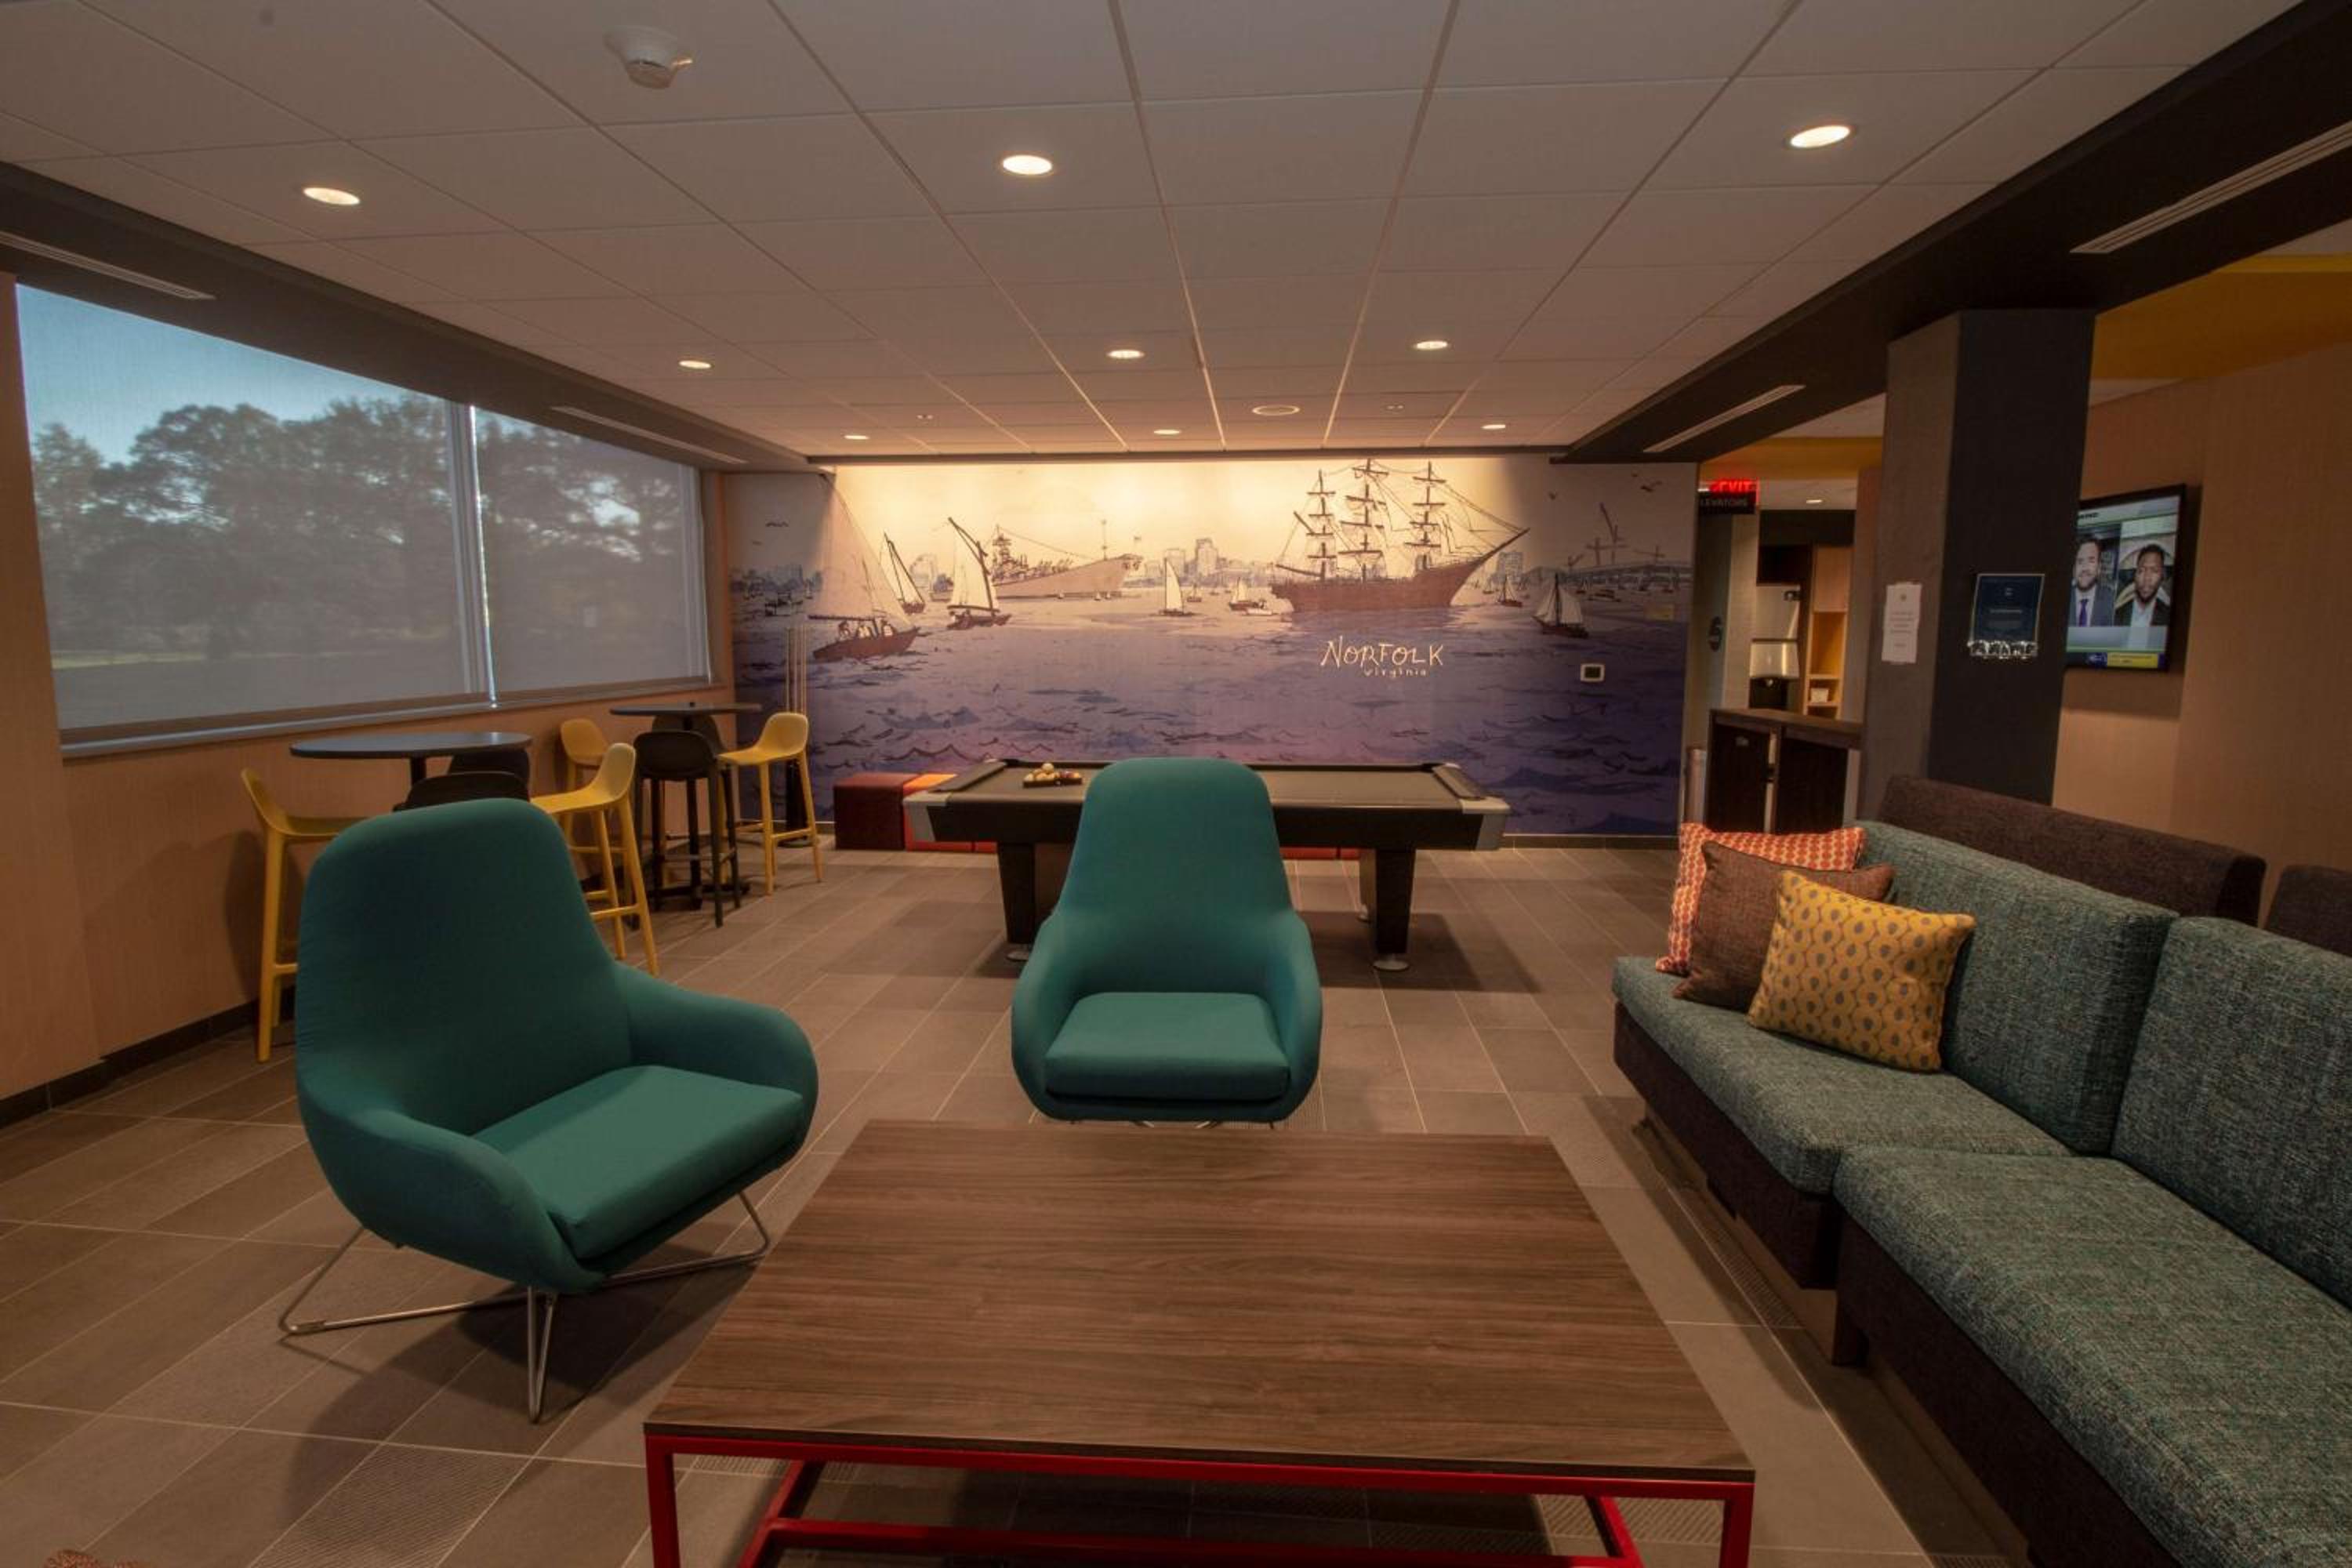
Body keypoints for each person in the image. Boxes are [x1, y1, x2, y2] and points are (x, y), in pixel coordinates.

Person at [2114, 543, 2171, 627]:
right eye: (2142, 570)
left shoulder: (2168, 616)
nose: (2147, 578)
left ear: (2162, 576)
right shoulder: (2116, 615)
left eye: (2154, 571)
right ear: (2135, 574)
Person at [2067, 537, 2114, 628]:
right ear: (2074, 569)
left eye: (2091, 561)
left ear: (2099, 568)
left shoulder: (2111, 601)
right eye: (2080, 561)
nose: (2085, 568)